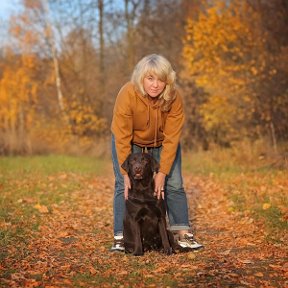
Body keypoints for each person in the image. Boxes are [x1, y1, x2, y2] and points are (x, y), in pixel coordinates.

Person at [110, 54, 203, 252]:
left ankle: (182, 232)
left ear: (167, 81)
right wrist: (125, 172)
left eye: (161, 80)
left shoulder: (174, 98)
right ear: (141, 78)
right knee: (122, 183)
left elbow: (172, 139)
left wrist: (161, 174)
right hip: (130, 140)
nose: (155, 85)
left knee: (174, 183)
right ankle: (120, 236)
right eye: (150, 79)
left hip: (162, 142)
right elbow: (122, 136)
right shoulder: (127, 93)